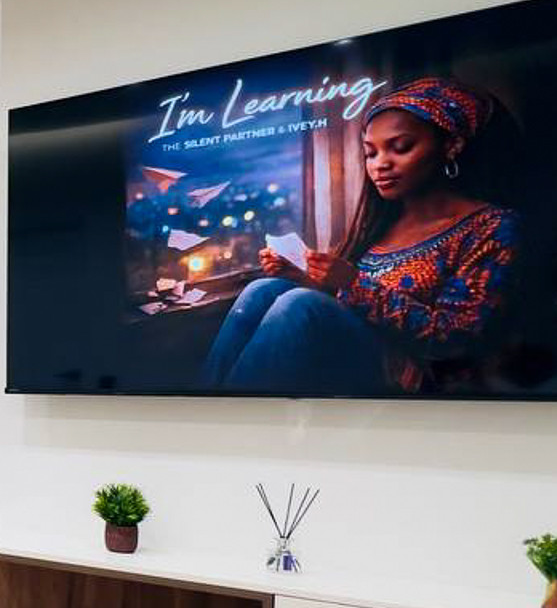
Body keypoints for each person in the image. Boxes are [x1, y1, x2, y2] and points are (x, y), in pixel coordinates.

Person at [202, 75, 521, 394]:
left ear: (451, 146)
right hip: (361, 350)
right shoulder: (382, 223)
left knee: (300, 305)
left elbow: (458, 336)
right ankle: (212, 402)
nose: (380, 165)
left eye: (400, 147)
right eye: (370, 153)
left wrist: (353, 283)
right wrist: (306, 278)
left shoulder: (493, 226)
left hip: (418, 376)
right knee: (262, 288)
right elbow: (352, 302)